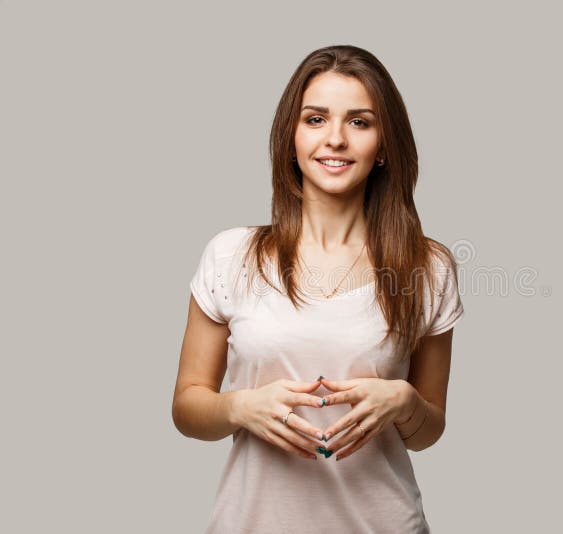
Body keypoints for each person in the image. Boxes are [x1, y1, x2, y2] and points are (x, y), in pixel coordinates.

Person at [172, 44, 465, 534]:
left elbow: (426, 431)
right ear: (291, 137)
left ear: (385, 146)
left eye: (359, 122)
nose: (335, 139)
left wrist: (405, 402)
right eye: (315, 119)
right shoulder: (230, 256)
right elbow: (186, 406)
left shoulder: (427, 266)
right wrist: (240, 407)